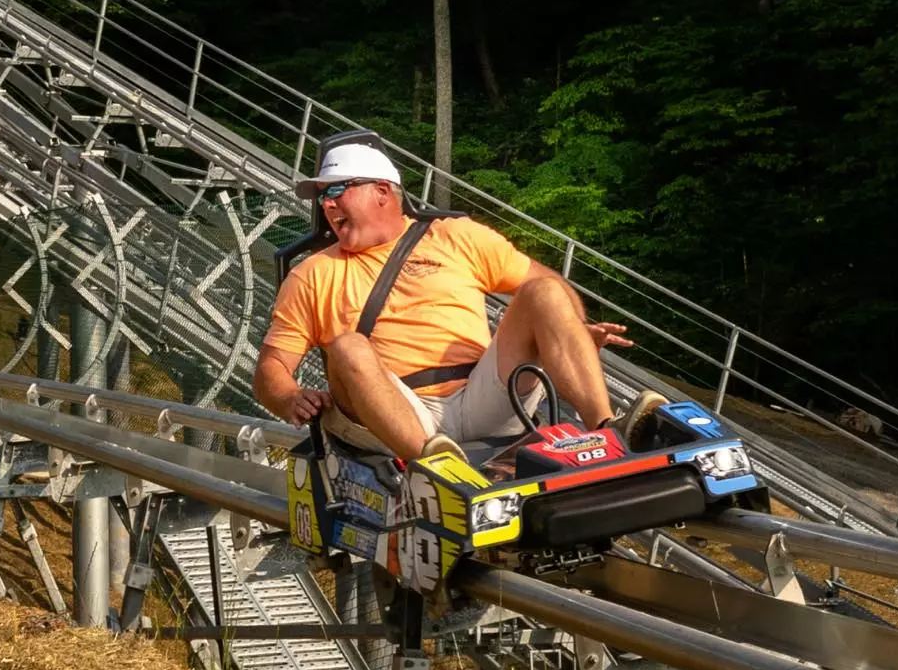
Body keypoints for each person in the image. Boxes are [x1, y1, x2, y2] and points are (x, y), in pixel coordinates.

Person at [251, 137, 665, 467]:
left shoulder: (456, 236)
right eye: (323, 196)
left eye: (338, 190)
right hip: (396, 413)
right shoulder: (314, 273)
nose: (327, 203)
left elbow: (550, 291)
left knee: (544, 290)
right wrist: (289, 396)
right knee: (347, 347)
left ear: (382, 192)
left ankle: (610, 431)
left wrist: (570, 331)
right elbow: (271, 368)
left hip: (483, 393)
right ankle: (435, 467)